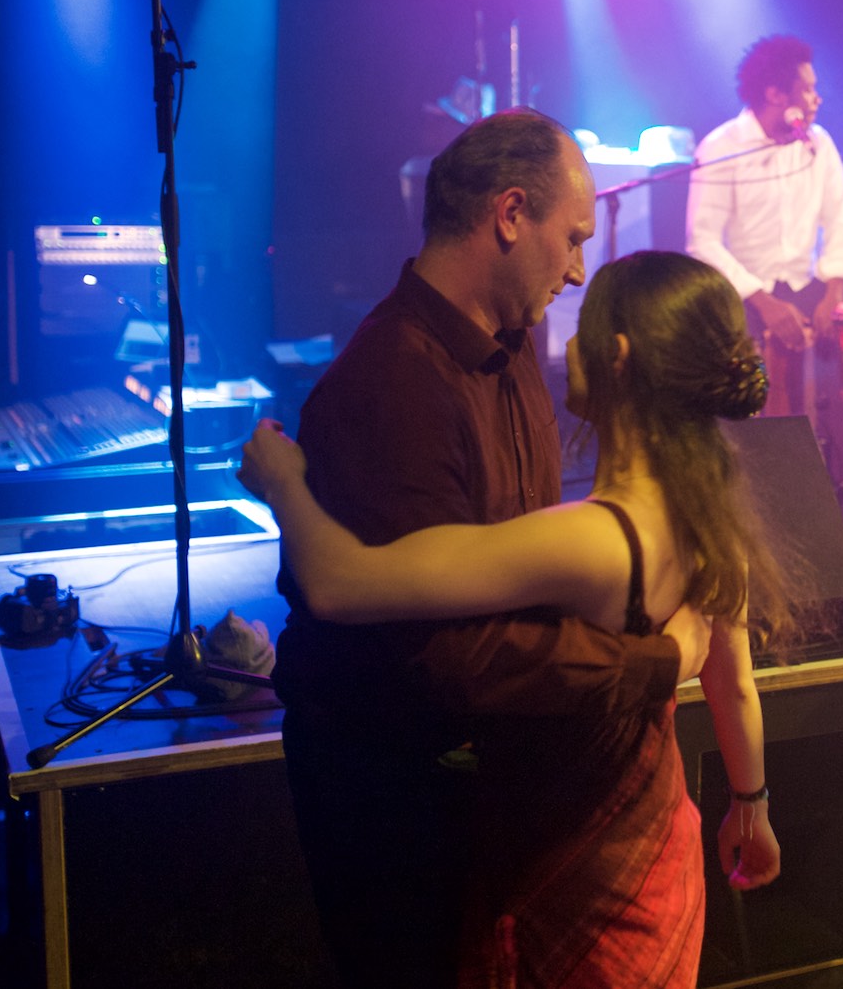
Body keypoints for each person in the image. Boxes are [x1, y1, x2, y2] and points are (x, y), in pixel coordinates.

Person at [242, 249, 787, 986]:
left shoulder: (587, 540)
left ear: (618, 356)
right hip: (661, 846)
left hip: (580, 871)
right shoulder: (711, 519)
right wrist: (750, 807)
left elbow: (339, 584)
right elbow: (737, 689)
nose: (565, 345)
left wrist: (283, 484)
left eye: (583, 328)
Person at [269, 110, 703, 989]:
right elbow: (445, 654)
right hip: (397, 800)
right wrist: (651, 662)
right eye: (572, 237)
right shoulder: (395, 380)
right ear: (510, 214)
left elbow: (510, 577)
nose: (577, 268)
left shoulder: (510, 347)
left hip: (476, 783)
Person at [686, 33, 843, 485]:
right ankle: (752, 482)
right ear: (775, 95)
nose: (817, 98)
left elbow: (840, 220)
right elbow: (703, 242)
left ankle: (831, 476)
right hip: (742, 295)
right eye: (807, 88)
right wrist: (763, 302)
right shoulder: (722, 147)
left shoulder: (818, 143)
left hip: (805, 287)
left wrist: (834, 293)